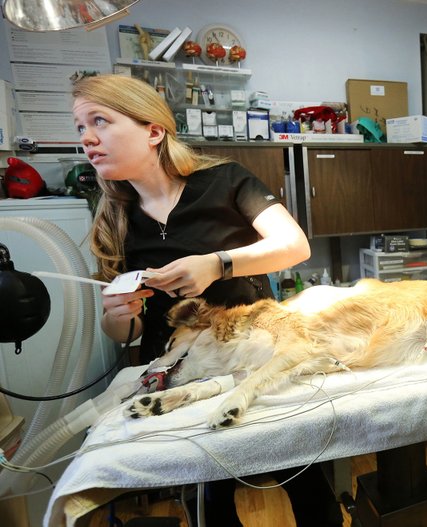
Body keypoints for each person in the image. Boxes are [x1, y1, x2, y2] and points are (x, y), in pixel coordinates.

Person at [73, 74, 343, 527]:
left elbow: (296, 246)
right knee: (211, 496)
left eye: (99, 121)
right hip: (183, 370)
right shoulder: (114, 217)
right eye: (80, 126)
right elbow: (128, 332)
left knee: (302, 475)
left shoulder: (225, 181)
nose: (87, 138)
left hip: (253, 351)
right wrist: (117, 317)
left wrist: (218, 263)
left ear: (153, 131)